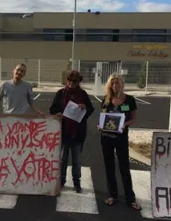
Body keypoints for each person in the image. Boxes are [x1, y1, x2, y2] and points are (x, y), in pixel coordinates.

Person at [98, 73, 141, 211]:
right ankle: (113, 195)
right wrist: (100, 125)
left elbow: (134, 118)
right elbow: (104, 117)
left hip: (121, 137)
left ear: (122, 84)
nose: (115, 85)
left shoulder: (129, 100)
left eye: (117, 83)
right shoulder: (106, 99)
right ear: (109, 85)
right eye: (112, 83)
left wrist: (125, 124)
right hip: (106, 137)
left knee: (124, 167)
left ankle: (130, 198)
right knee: (109, 166)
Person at [49, 70, 94, 193]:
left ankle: (77, 183)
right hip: (63, 132)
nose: (71, 83)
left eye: (74, 81)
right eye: (69, 79)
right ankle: (62, 181)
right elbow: (52, 109)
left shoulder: (83, 94)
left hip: (78, 132)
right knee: (63, 159)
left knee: (77, 160)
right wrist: (57, 114)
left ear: (79, 82)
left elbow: (91, 109)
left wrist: (84, 108)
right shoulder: (61, 93)